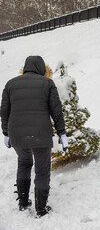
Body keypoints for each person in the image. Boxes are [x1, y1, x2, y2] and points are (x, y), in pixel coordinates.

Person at [1, 56, 68, 217]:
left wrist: (6, 133)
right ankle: (41, 209)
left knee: (24, 163)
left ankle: (23, 203)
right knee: (42, 170)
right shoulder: (47, 83)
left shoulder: (10, 84)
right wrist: (62, 133)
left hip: (16, 133)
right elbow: (56, 111)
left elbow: (4, 111)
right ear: (41, 69)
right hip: (41, 134)